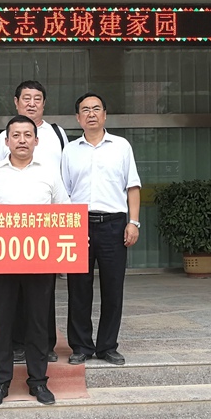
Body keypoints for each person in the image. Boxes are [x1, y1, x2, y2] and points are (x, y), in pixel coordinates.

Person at [0, 115, 71, 407]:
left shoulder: (49, 172)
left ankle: (38, 381)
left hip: (41, 261)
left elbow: (64, 211)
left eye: (28, 135)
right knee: (2, 323)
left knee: (38, 323)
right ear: (6, 141)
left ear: (36, 141)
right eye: (16, 135)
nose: (22, 140)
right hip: (1, 261)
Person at [61, 92, 141, 366]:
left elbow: (133, 186)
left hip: (114, 225)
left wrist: (133, 222)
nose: (91, 114)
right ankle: (81, 345)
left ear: (105, 115)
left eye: (96, 109)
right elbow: (64, 192)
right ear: (78, 118)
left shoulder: (121, 146)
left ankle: (107, 346)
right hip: (78, 224)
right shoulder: (70, 150)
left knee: (113, 288)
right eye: (85, 110)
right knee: (78, 289)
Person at [0, 80, 69, 364]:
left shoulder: (57, 134)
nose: (32, 103)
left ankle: (44, 345)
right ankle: (16, 343)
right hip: (10, 226)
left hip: (46, 226)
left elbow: (65, 179)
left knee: (43, 292)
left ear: (44, 103)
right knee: (11, 293)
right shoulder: (5, 137)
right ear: (16, 102)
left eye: (37, 98)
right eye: (26, 98)